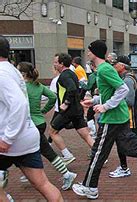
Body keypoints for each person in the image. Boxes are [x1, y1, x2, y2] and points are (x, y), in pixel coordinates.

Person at [72, 40, 137, 199]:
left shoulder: (104, 69)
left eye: (89, 50)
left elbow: (122, 89)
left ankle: (90, 187)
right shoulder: (105, 68)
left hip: (112, 118)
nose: (87, 53)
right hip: (118, 117)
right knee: (131, 148)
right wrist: (95, 101)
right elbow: (111, 91)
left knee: (98, 153)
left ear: (94, 52)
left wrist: (105, 106)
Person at [0, 35, 63, 201]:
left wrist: (7, 138)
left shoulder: (1, 73)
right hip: (26, 136)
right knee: (42, 184)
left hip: (10, 140)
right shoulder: (11, 70)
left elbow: (19, 104)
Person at [17, 62, 78, 190]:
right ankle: (32, 173)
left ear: (23, 73)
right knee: (39, 151)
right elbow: (52, 97)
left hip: (28, 124)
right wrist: (43, 111)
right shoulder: (38, 85)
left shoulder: (21, 87)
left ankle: (65, 174)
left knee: (35, 152)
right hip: (39, 122)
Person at [49, 53, 94, 164]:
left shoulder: (64, 76)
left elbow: (72, 89)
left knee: (52, 132)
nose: (54, 64)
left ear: (62, 64)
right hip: (76, 109)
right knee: (85, 134)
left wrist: (66, 103)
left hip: (68, 111)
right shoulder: (72, 74)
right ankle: (100, 157)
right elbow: (76, 89)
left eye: (56, 62)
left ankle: (67, 155)